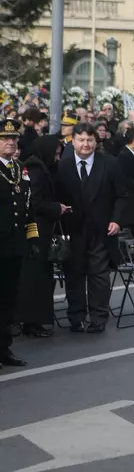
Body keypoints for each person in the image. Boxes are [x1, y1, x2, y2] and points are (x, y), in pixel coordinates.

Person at [55, 122, 126, 334]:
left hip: (101, 230)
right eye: (81, 140)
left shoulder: (110, 164)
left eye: (90, 140)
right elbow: (55, 196)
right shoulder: (64, 166)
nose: (86, 144)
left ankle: (98, 317)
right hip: (72, 230)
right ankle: (76, 317)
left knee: (99, 276)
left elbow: (122, 196)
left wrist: (116, 220)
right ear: (73, 141)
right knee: (74, 274)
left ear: (96, 141)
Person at [17, 135, 65, 337]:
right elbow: (34, 202)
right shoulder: (36, 169)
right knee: (34, 278)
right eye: (55, 154)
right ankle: (31, 322)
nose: (57, 158)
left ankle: (35, 320)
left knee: (41, 277)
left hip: (42, 229)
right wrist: (56, 208)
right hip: (37, 231)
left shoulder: (41, 167)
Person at [0, 119, 38, 366]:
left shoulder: (20, 169)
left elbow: (27, 207)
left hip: (14, 245)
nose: (11, 142)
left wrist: (32, 237)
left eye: (13, 138)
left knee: (8, 299)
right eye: (4, 138)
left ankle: (4, 349)